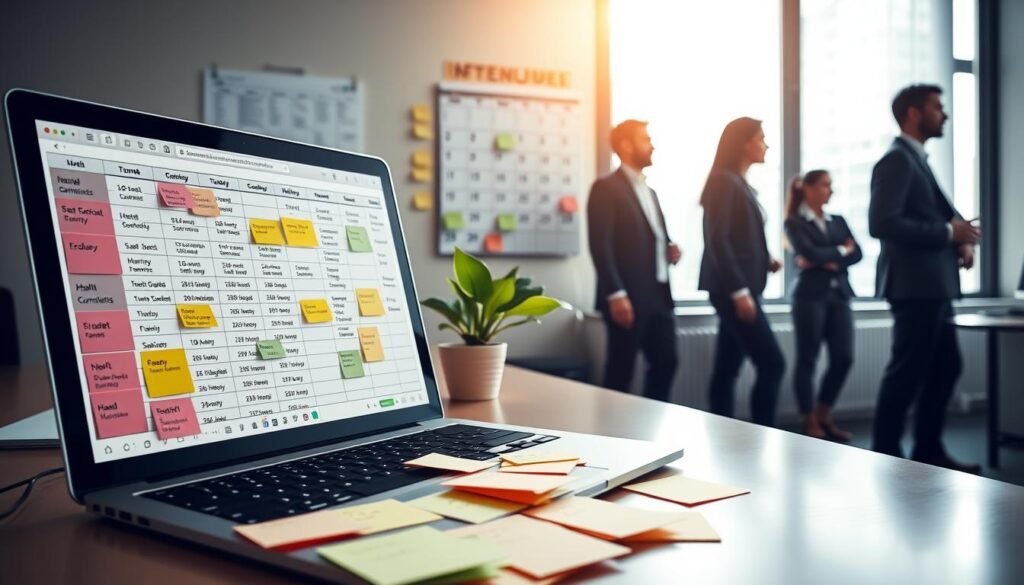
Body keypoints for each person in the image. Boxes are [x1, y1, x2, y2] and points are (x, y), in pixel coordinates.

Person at [869, 84, 981, 473]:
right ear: (914, 113)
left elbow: (930, 217)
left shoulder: (915, 159)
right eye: (938, 107)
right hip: (915, 289)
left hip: (932, 287)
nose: (944, 114)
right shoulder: (897, 160)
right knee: (908, 373)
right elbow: (882, 222)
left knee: (944, 368)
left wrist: (957, 242)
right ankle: (886, 454)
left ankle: (927, 451)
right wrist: (951, 234)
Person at [698, 117, 785, 426]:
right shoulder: (724, 181)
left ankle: (721, 434)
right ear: (744, 143)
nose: (766, 144)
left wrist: (764, 259)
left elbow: (736, 237)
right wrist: (739, 292)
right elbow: (717, 240)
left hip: (742, 287)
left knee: (727, 366)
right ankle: (765, 434)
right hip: (733, 290)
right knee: (773, 364)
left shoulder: (737, 182)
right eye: (761, 138)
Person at [587, 119, 682, 402]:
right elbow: (600, 246)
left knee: (667, 363)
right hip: (626, 297)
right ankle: (612, 440)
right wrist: (616, 294)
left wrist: (668, 250)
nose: (652, 145)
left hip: (659, 295)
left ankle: (651, 435)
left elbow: (652, 239)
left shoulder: (650, 191)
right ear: (626, 146)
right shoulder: (605, 188)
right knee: (621, 372)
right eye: (646, 140)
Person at [784, 170, 862, 440]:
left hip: (839, 295)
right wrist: (841, 251)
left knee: (844, 358)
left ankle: (823, 413)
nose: (831, 190)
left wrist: (823, 258)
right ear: (808, 188)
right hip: (809, 297)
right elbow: (809, 253)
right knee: (808, 359)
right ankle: (809, 421)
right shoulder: (794, 223)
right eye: (826, 185)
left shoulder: (838, 220)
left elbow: (859, 253)